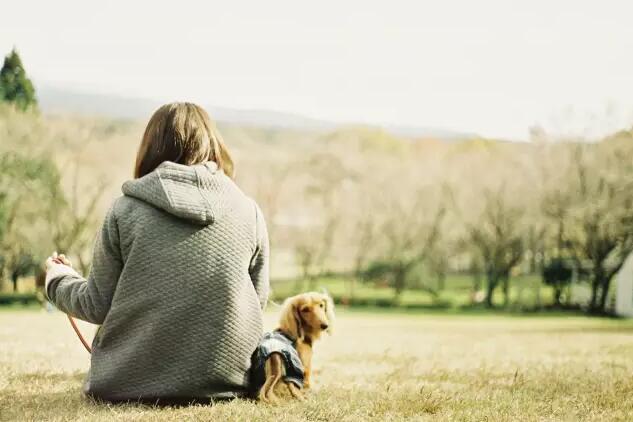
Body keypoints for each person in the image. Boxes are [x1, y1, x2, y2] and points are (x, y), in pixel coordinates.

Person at [44, 102, 269, 404]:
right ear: (212, 144)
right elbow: (257, 302)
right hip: (228, 384)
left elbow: (95, 305)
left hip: (126, 385)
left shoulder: (124, 211)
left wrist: (57, 278)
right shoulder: (249, 212)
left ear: (150, 147)